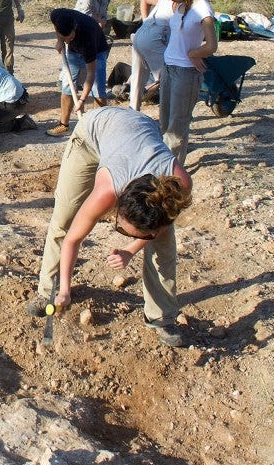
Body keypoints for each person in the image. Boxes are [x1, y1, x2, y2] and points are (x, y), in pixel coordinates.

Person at [28, 106, 193, 347]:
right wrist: (64, 290)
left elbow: (162, 228)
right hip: (92, 133)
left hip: (139, 129)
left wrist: (130, 250)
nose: (125, 235)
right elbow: (72, 238)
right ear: (118, 204)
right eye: (122, 229)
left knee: (164, 244)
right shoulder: (107, 190)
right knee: (64, 219)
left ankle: (162, 317)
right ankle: (48, 292)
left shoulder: (179, 186)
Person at [157, 0, 216, 164]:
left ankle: (169, 172)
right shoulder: (182, 5)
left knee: (176, 128)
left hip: (185, 73)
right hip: (169, 67)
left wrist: (193, 53)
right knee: (165, 123)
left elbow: (212, 45)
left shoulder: (203, 9)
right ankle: (170, 167)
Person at [134, 0, 202, 100]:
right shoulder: (179, 1)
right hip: (153, 36)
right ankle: (151, 93)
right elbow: (178, 32)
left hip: (141, 33)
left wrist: (146, 22)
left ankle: (133, 102)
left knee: (138, 75)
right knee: (168, 73)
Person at [45, 8, 110, 137]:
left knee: (98, 89)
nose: (67, 42)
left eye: (70, 38)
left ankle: (99, 130)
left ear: (74, 28)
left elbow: (91, 74)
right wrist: (60, 41)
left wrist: (82, 100)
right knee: (67, 85)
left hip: (98, 51)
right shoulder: (56, 15)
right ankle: (64, 125)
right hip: (74, 52)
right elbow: (57, 28)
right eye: (65, 39)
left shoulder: (88, 38)